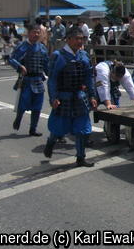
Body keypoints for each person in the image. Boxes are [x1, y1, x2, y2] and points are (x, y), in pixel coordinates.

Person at [43, 26, 98, 167]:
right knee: (59, 127)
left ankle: (81, 157)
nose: (80, 41)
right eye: (77, 39)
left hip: (80, 96)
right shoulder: (58, 55)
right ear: (68, 40)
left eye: (82, 38)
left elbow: (89, 78)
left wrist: (92, 96)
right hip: (63, 96)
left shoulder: (84, 55)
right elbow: (52, 79)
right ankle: (51, 142)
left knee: (82, 129)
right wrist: (53, 98)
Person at [9, 24, 49, 136]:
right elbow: (11, 59)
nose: (36, 34)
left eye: (38, 32)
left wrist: (52, 75)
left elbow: (47, 65)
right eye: (34, 32)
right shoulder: (22, 46)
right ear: (29, 33)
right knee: (23, 104)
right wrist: (20, 66)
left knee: (37, 106)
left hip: (38, 79)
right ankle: (19, 118)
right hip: (26, 80)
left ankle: (33, 129)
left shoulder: (42, 48)